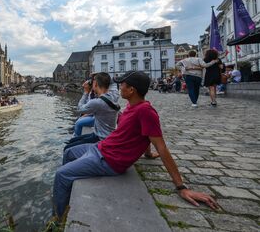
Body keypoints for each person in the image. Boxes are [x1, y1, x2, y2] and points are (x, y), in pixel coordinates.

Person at [52, 71, 218, 218]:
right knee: (69, 152)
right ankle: (65, 195)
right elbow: (144, 136)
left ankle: (58, 217)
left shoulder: (146, 111)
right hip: (100, 149)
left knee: (61, 175)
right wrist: (147, 153)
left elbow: (162, 147)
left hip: (108, 160)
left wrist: (181, 187)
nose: (119, 87)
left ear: (131, 90)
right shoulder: (131, 107)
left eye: (122, 84)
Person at [64, 72, 119, 150]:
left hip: (100, 138)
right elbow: (113, 83)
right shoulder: (114, 95)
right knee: (73, 141)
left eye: (93, 81)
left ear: (95, 83)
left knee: (67, 148)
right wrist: (100, 76)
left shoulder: (97, 102)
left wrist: (86, 92)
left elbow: (79, 108)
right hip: (107, 135)